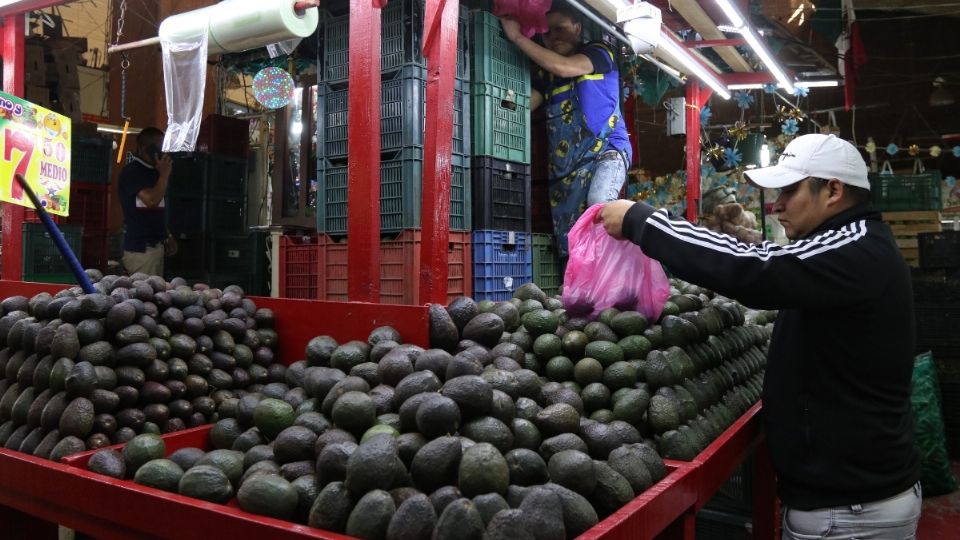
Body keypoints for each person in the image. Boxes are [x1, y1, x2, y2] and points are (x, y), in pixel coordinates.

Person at [599, 134, 921, 539]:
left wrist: (641, 221)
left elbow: (757, 268)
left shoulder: (855, 248)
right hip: (843, 502)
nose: (778, 204)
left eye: (790, 189)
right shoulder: (850, 245)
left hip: (851, 513)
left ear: (834, 190)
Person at [500, 4, 632, 263]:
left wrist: (516, 37)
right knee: (569, 238)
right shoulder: (546, 75)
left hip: (607, 151)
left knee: (599, 208)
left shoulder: (599, 52)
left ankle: (613, 276)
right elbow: (526, 104)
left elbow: (565, 67)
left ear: (578, 28)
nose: (554, 36)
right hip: (567, 168)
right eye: (547, 33)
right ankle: (576, 292)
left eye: (560, 29)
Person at [118, 127, 176, 277]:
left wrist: (167, 235)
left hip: (157, 246)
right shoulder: (132, 171)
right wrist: (164, 175)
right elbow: (151, 200)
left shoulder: (155, 173)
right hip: (141, 249)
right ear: (144, 148)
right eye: (157, 147)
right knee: (144, 295)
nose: (161, 152)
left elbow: (157, 210)